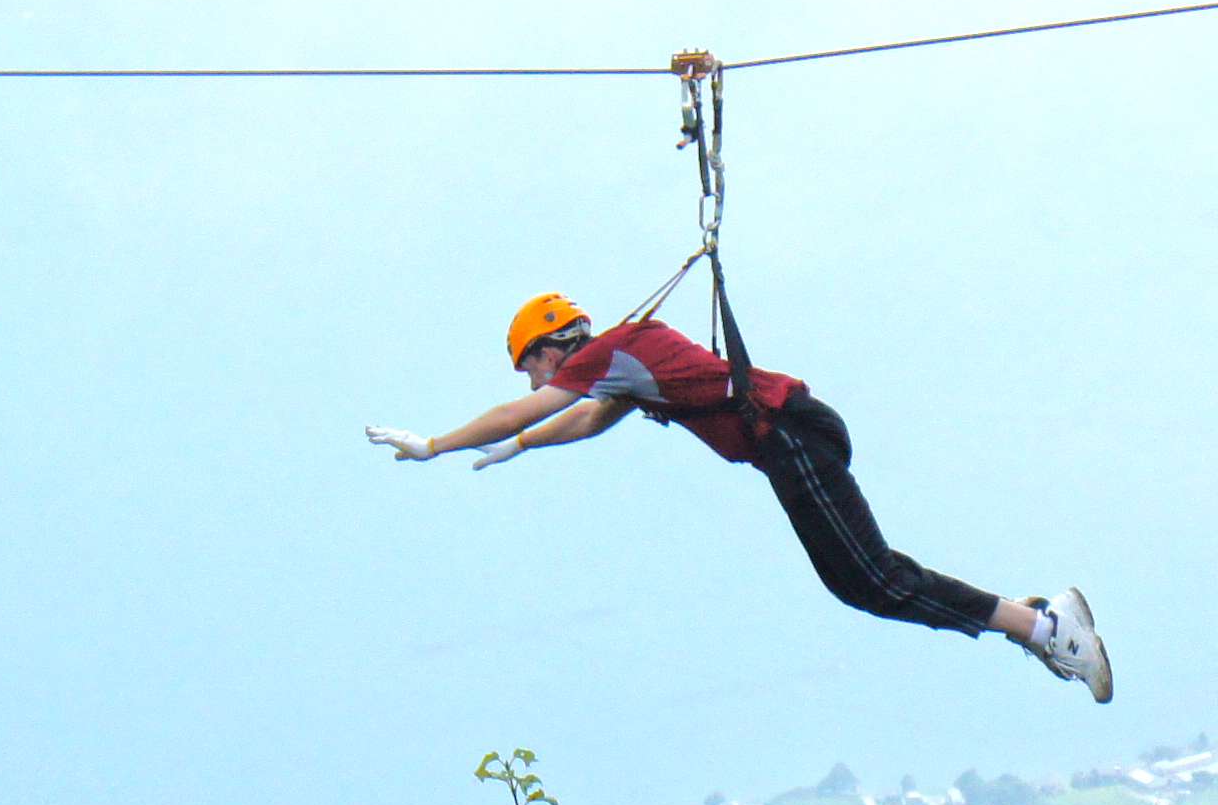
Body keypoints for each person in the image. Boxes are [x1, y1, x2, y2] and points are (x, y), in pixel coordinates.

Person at [370, 292, 1114, 700]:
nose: (535, 384)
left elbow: (529, 409)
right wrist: (523, 447)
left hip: (789, 436)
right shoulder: (621, 366)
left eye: (530, 367)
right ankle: (1035, 625)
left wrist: (438, 444)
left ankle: (1044, 628)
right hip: (787, 442)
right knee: (862, 583)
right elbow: (591, 419)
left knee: (873, 578)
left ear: (550, 345)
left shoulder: (608, 351)